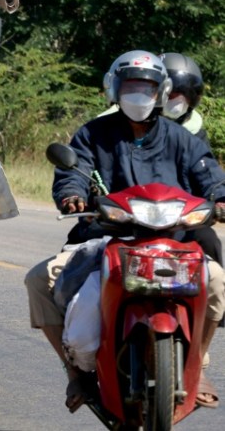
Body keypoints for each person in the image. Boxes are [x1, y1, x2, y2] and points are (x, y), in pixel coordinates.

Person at [24, 50, 224, 411]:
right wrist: (72, 196)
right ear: (114, 89)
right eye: (131, 86)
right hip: (107, 238)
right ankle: (76, 374)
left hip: (173, 240)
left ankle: (197, 364)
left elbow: (209, 175)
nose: (139, 94)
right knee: (38, 280)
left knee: (218, 282)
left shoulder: (181, 139)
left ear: (162, 91)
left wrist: (221, 199)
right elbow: (73, 171)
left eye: (147, 87)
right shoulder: (92, 134)